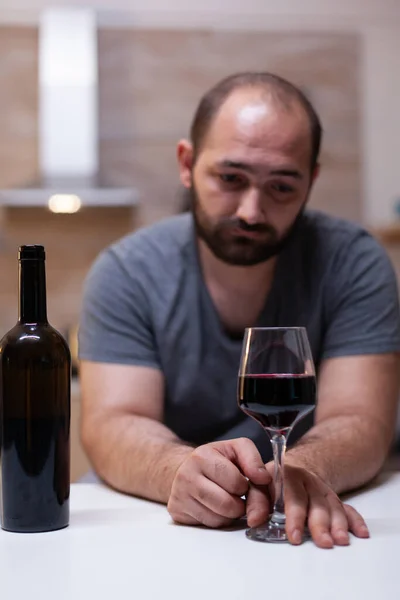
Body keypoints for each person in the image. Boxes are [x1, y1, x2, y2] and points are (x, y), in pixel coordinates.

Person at [78, 72, 400, 549]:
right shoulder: (126, 271)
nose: (252, 210)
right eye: (231, 178)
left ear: (311, 180)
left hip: (308, 527)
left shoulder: (354, 263)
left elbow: (361, 418)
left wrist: (300, 469)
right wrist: (177, 470)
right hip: (168, 533)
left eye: (281, 187)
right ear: (187, 164)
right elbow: (113, 422)